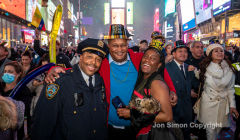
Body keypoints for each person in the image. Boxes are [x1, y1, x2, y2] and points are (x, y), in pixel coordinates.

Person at [45, 25, 178, 140]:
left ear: (128, 44)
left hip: (137, 128)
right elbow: (81, 68)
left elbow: (160, 70)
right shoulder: (102, 62)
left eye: (123, 45)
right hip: (108, 128)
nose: (119, 49)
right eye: (115, 45)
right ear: (108, 45)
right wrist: (55, 69)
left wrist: (172, 90)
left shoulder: (138, 59)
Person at [31, 38, 109, 140]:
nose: (93, 62)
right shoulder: (58, 82)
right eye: (89, 57)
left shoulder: (100, 82)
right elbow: (41, 126)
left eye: (98, 59)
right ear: (80, 57)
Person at [118, 39, 173, 139]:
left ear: (159, 65)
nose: (147, 60)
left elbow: (167, 116)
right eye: (146, 56)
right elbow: (146, 107)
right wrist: (131, 109)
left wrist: (132, 115)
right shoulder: (143, 78)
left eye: (153, 58)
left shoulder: (157, 83)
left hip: (154, 134)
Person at [190, 43, 239, 140]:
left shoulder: (229, 69)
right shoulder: (205, 67)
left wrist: (232, 105)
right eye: (216, 51)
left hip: (223, 103)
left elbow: (230, 89)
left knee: (217, 130)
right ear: (210, 54)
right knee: (210, 132)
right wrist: (192, 70)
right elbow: (198, 76)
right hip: (208, 103)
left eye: (221, 50)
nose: (219, 53)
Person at [165, 40, 199, 140]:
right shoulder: (166, 68)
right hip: (173, 109)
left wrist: (198, 73)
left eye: (185, 51)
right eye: (180, 51)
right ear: (174, 53)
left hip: (187, 109)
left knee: (186, 134)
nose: (183, 53)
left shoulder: (190, 68)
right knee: (173, 135)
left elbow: (196, 85)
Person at [0, 61, 32, 140]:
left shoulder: (24, 91)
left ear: (19, 73)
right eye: (5, 71)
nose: (6, 74)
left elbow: (26, 109)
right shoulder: (0, 87)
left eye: (10, 72)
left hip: (14, 130)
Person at [185, 41, 206, 139]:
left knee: (203, 118)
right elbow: (184, 79)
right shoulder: (186, 62)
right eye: (197, 47)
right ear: (192, 49)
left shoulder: (207, 61)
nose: (200, 49)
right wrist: (189, 91)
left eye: (202, 47)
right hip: (191, 94)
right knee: (189, 117)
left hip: (205, 94)